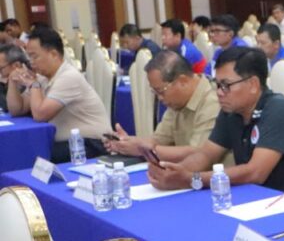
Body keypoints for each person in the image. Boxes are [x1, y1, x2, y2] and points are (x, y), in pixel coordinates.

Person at [147, 46, 284, 201]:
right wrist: (175, 172)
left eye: (226, 85)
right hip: (259, 198)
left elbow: (255, 173)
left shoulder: (277, 109)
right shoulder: (231, 111)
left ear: (253, 84)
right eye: (217, 84)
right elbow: (206, 154)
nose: (219, 92)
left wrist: (191, 179)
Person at [7, 27, 112, 161]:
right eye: (29, 57)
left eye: (35, 56)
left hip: (91, 144)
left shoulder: (68, 77)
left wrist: (34, 85)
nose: (31, 62)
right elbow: (17, 110)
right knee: (23, 151)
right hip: (69, 143)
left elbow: (40, 115)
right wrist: (12, 81)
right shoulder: (43, 77)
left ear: (54, 54)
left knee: (31, 156)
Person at [104, 49, 224, 163]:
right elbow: (158, 141)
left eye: (161, 91)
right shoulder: (177, 102)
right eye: (155, 93)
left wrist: (142, 150)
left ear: (183, 81)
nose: (159, 98)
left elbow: (199, 154)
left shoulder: (212, 102)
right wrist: (127, 143)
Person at [0, 43, 30, 109]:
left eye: (1, 68)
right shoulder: (4, 83)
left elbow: (9, 106)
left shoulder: (33, 81)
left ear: (17, 65)